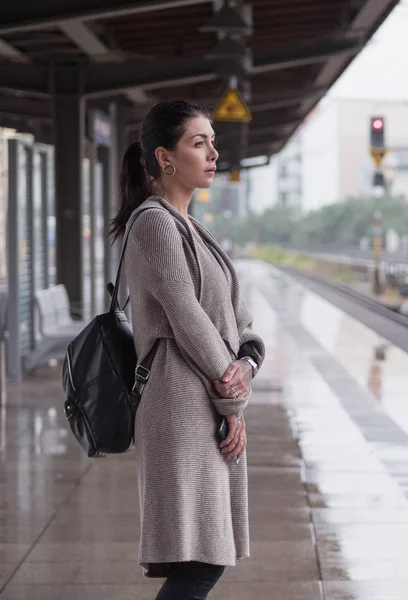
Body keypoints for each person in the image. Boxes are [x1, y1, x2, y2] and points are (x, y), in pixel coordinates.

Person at [110, 100, 266, 600]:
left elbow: (239, 322)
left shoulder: (195, 228)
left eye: (212, 141)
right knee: (200, 560)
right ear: (165, 157)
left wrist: (246, 363)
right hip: (178, 406)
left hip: (206, 403)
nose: (213, 152)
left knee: (205, 556)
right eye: (199, 142)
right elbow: (189, 320)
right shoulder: (153, 223)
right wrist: (233, 401)